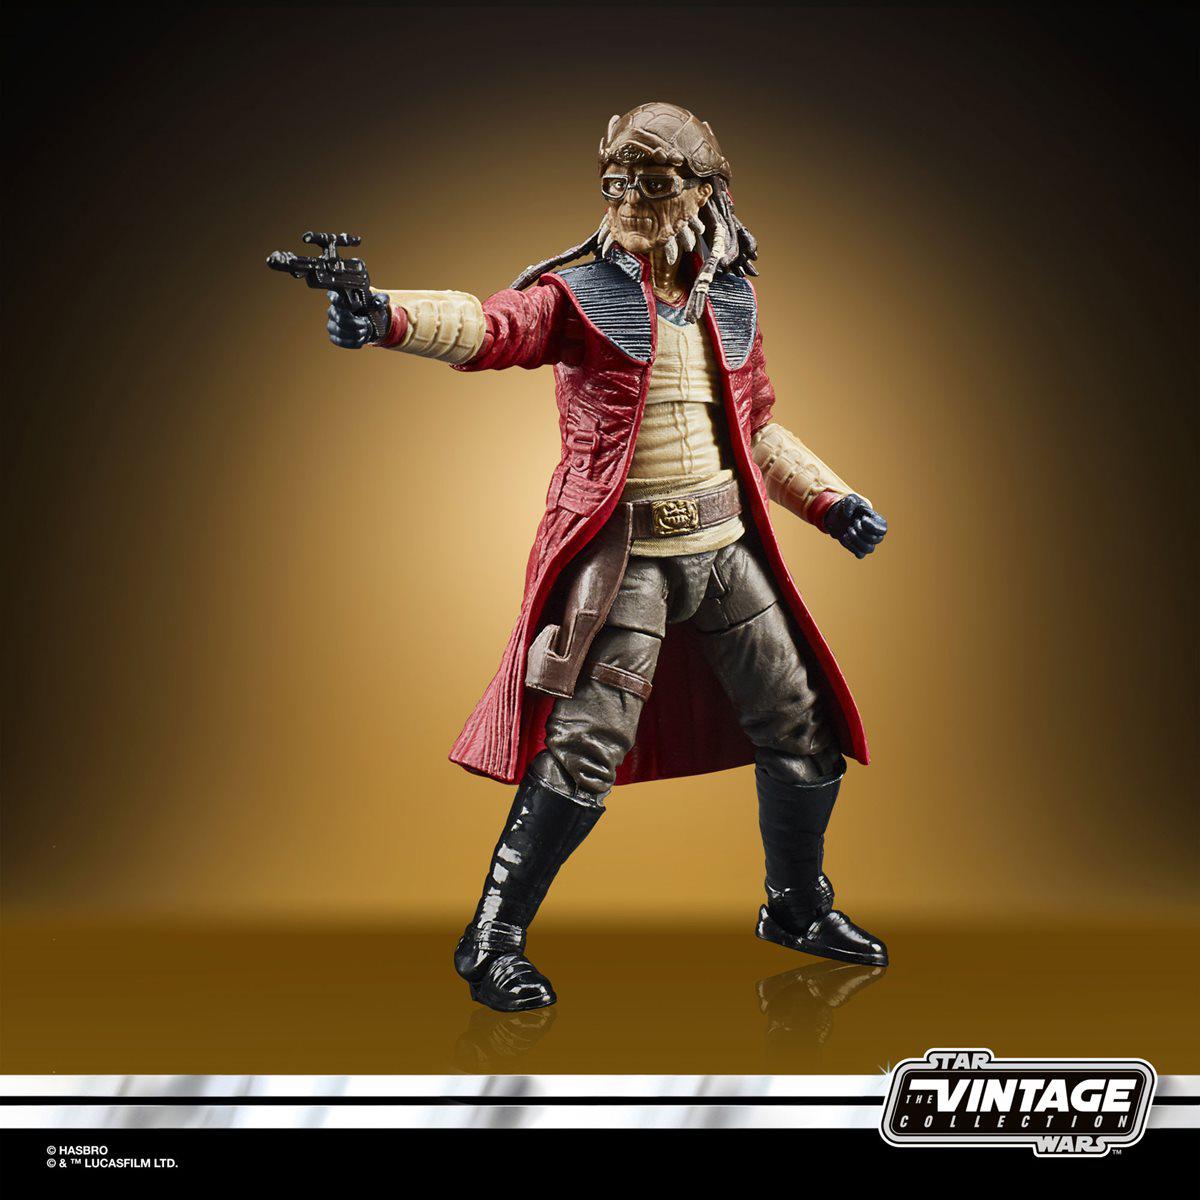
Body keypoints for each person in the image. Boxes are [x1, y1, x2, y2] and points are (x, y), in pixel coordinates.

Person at [322, 102, 889, 1012]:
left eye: (652, 184)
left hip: (726, 550)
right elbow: (493, 325)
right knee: (584, 747)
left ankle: (796, 907)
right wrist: (384, 313)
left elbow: (755, 428)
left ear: (706, 193)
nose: (629, 201)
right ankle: (490, 941)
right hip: (627, 560)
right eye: (616, 183)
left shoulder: (731, 298)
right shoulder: (579, 294)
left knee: (802, 723)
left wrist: (832, 499)